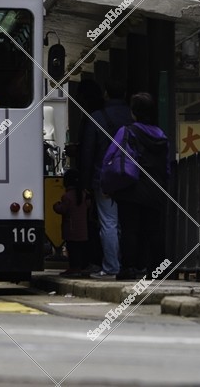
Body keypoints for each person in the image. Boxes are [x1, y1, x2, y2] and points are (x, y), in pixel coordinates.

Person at [102, 92, 170, 279]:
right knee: (154, 231)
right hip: (155, 189)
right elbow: (166, 166)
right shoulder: (161, 135)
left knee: (130, 230)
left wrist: (107, 184)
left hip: (131, 188)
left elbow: (111, 157)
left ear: (134, 112)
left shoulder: (127, 131)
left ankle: (129, 268)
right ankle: (157, 270)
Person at [79, 80, 132, 279]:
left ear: (107, 94)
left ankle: (111, 267)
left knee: (108, 222)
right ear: (125, 93)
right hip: (129, 178)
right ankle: (127, 264)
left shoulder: (97, 117)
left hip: (104, 178)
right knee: (125, 224)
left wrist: (85, 184)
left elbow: (87, 151)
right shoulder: (132, 116)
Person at [53, 169, 92, 276]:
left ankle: (73, 268)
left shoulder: (67, 196)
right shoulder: (83, 194)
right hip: (83, 229)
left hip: (71, 229)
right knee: (80, 249)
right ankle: (80, 267)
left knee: (73, 249)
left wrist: (56, 205)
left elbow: (62, 209)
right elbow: (88, 205)